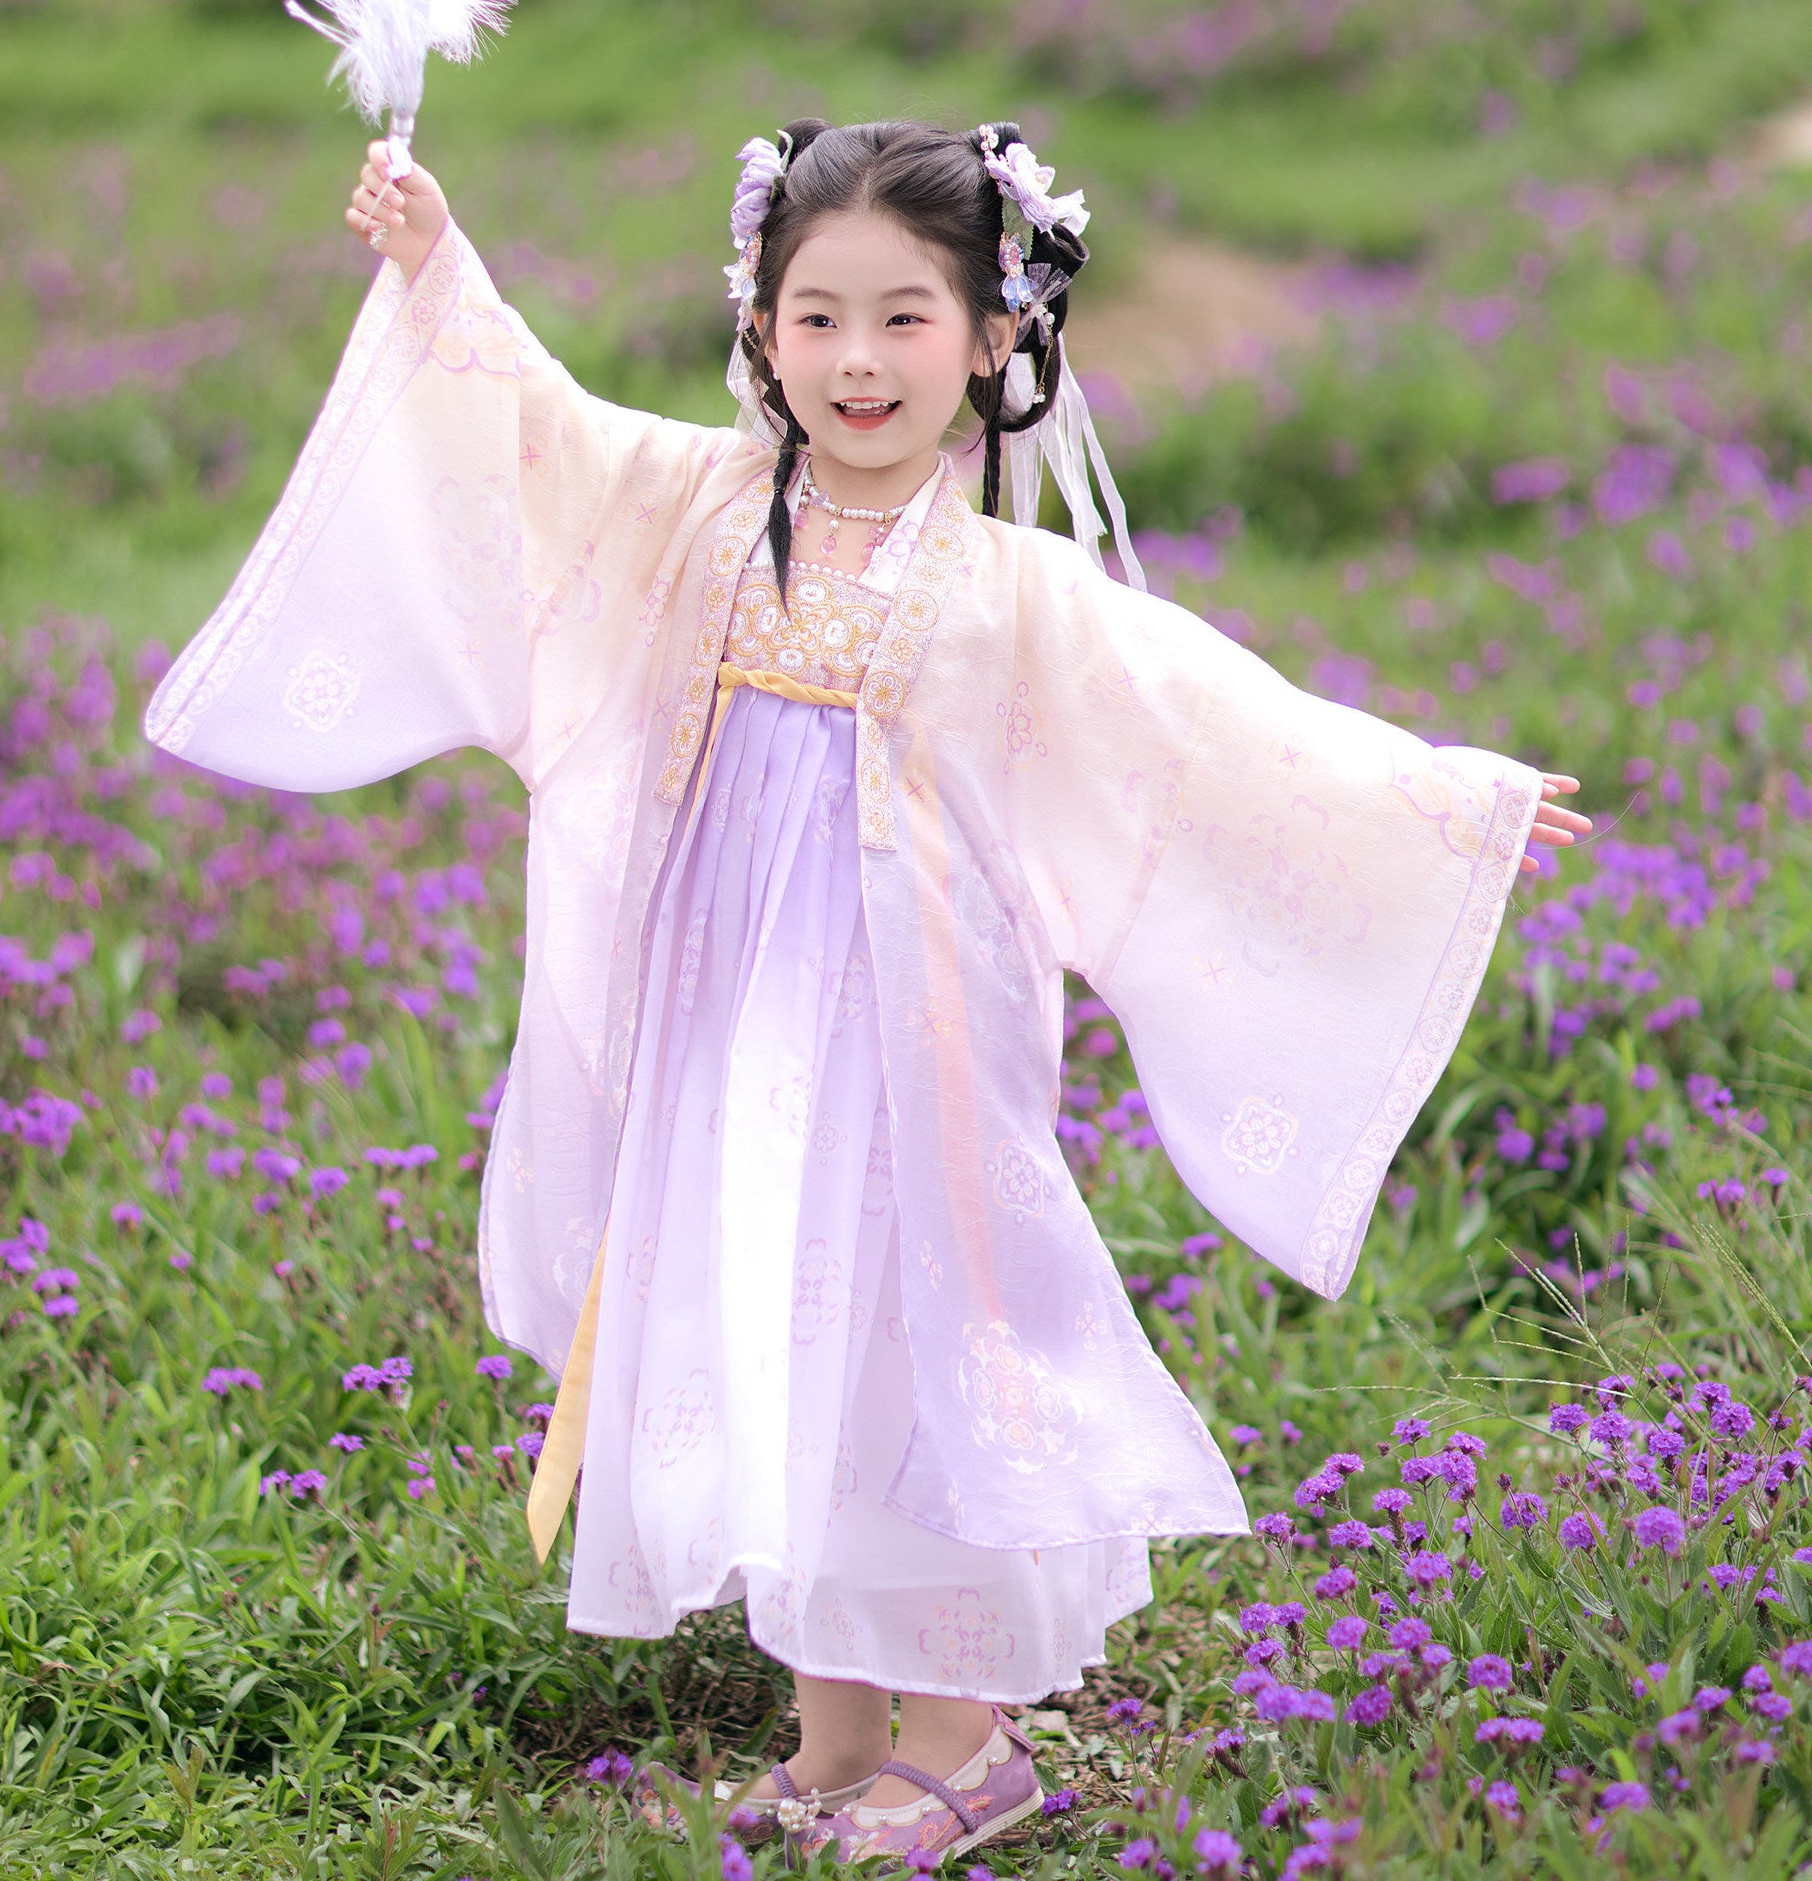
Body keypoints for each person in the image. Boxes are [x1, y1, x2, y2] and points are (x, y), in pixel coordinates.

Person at [144, 118, 1590, 1868]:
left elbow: (1217, 727)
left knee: (915, 1324)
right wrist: (439, 260)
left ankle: (967, 1737)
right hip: (724, 1009)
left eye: (906, 318)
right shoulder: (691, 505)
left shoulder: (1012, 592)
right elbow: (528, 432)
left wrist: (1439, 803)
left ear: (994, 334)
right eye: (814, 314)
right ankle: (831, 1729)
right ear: (761, 328)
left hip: (913, 1040)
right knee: (762, 1303)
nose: (856, 359)